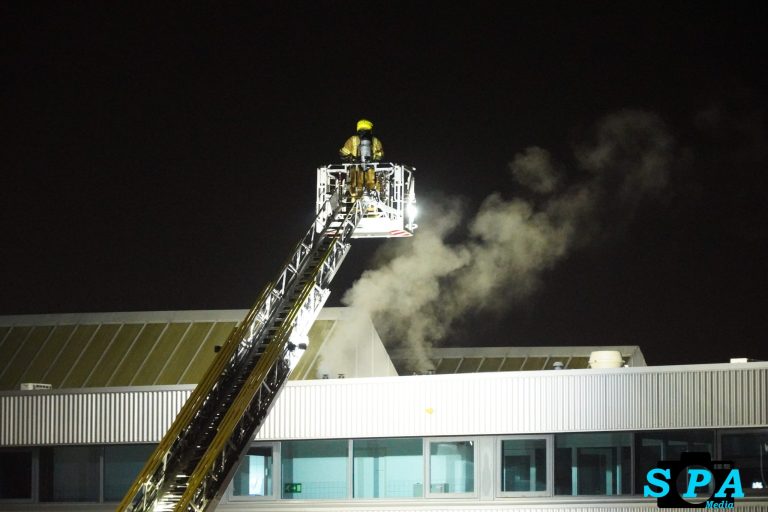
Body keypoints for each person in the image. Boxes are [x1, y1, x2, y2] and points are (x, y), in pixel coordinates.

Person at [340, 119, 383, 197]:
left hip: (355, 172)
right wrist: (372, 160)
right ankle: (371, 205)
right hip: (371, 172)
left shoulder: (352, 139)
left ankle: (354, 201)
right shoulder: (376, 140)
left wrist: (351, 158)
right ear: (370, 129)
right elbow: (380, 155)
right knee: (372, 191)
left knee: (355, 192)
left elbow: (343, 153)